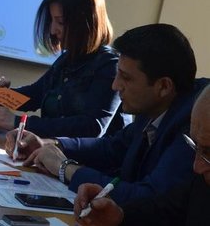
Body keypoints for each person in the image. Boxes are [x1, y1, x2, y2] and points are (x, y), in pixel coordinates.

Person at [5, 23, 209, 205]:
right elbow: (111, 147)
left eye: (126, 78)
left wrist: (64, 167)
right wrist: (50, 144)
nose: (115, 85)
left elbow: (149, 197)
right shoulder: (155, 106)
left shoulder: (195, 124)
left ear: (163, 86)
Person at [0, 0, 127, 138]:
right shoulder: (68, 59)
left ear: (86, 23)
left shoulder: (109, 66)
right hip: (51, 154)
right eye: (52, 21)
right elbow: (34, 94)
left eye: (61, 22)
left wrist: (19, 123)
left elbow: (93, 127)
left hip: (87, 161)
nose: (52, 30)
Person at [73, 84, 210, 226]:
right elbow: (166, 210)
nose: (197, 167)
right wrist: (119, 215)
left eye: (208, 152)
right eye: (194, 146)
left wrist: (68, 169)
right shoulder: (201, 185)